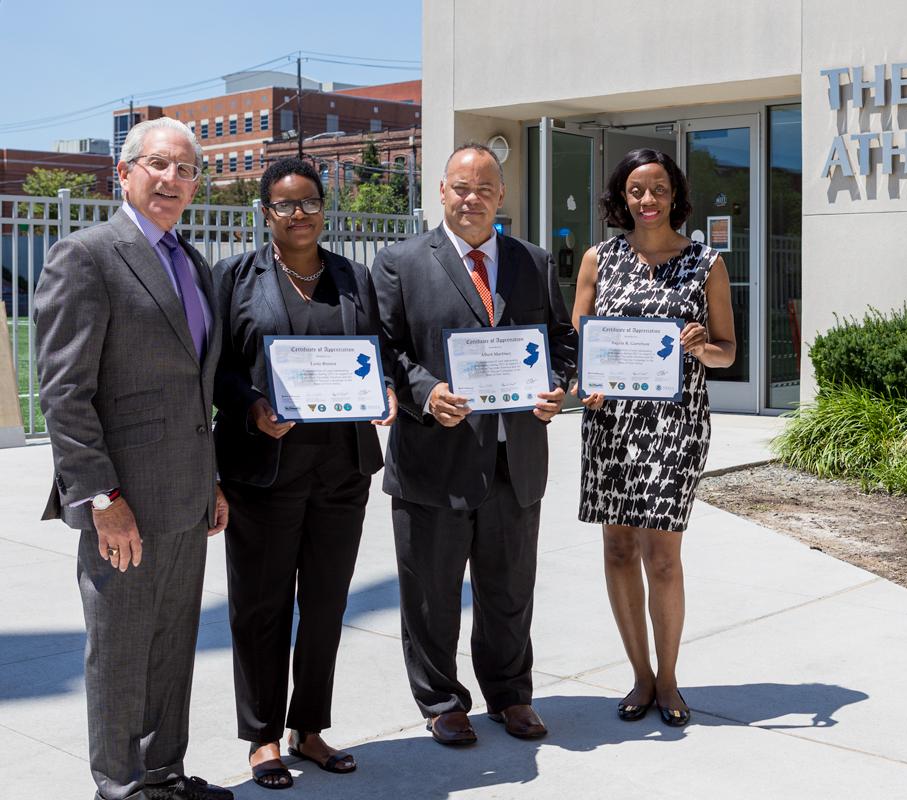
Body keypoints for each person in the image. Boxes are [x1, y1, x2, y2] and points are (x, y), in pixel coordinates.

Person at [35, 117, 233, 800]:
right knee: (120, 649)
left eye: (186, 169)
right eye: (158, 165)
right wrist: (100, 498)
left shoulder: (193, 262)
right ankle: (119, 787)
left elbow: (194, 386)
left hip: (185, 494)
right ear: (124, 173)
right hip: (122, 501)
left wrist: (211, 481)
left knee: (173, 643)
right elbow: (64, 392)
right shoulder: (87, 256)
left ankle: (163, 775)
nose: (172, 180)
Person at [373, 143, 577, 746]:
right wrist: (425, 392)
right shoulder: (400, 262)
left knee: (509, 590)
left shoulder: (531, 261)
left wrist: (556, 387)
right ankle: (442, 702)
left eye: (484, 189)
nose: (472, 199)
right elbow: (386, 349)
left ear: (501, 196)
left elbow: (562, 340)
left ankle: (511, 695)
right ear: (441, 191)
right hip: (434, 457)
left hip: (515, 460)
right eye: (461, 188)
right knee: (432, 594)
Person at [212, 158, 398, 789]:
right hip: (263, 472)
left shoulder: (353, 278)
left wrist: (387, 390)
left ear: (325, 208)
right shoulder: (234, 278)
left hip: (341, 470)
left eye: (310, 203)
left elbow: (379, 351)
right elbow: (214, 371)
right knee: (261, 607)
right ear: (264, 213)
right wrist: (251, 407)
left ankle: (309, 727)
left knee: (324, 605)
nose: (299, 214)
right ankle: (262, 736)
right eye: (285, 205)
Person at [573, 148, 737, 727]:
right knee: (618, 549)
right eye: (636, 190)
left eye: (659, 189)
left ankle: (668, 679)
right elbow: (581, 347)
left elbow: (727, 351)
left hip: (675, 425)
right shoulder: (599, 259)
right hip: (612, 426)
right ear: (622, 197)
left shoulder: (705, 262)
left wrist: (700, 348)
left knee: (661, 557)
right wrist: (584, 384)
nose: (647, 200)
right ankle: (639, 675)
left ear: (675, 195)